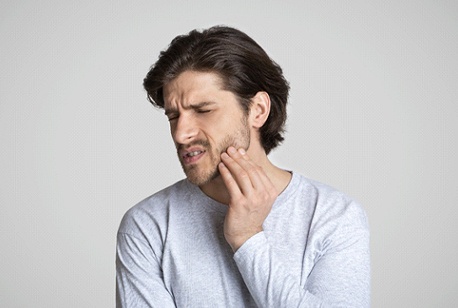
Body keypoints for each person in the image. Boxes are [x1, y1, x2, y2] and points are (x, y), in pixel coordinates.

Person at [116, 25, 370, 307]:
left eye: (203, 110)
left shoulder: (333, 217)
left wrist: (248, 239)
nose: (180, 133)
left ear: (257, 110)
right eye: (173, 116)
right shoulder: (147, 226)